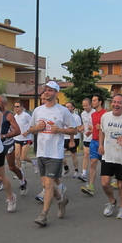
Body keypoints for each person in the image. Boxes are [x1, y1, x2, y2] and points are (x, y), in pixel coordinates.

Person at [30, 81, 76, 226]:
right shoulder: (38, 110)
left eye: (50, 90)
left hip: (55, 153)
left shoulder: (63, 111)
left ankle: (43, 215)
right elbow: (31, 129)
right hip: (41, 151)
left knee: (49, 184)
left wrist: (60, 130)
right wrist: (37, 127)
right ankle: (61, 200)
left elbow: (74, 129)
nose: (47, 92)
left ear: (56, 93)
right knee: (45, 184)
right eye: (46, 90)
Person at [81, 94, 106, 196]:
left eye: (95, 100)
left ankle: (116, 179)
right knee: (92, 163)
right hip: (94, 141)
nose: (93, 102)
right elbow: (95, 127)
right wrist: (90, 132)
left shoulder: (106, 114)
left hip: (104, 143)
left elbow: (106, 129)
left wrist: (102, 127)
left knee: (107, 165)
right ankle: (91, 187)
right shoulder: (93, 115)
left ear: (100, 102)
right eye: (92, 100)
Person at [14, 101, 39, 174]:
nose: (16, 108)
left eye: (17, 106)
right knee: (17, 157)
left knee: (23, 157)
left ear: (22, 107)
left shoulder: (26, 115)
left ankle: (33, 162)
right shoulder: (14, 116)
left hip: (26, 138)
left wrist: (27, 131)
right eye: (15, 106)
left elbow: (33, 125)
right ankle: (20, 172)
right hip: (17, 138)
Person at [62, 101, 82, 178]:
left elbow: (77, 128)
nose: (67, 108)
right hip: (64, 137)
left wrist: (72, 140)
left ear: (72, 108)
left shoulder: (76, 117)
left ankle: (76, 170)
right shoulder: (63, 116)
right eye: (66, 106)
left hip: (74, 138)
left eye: (68, 107)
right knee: (60, 154)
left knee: (73, 154)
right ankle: (66, 168)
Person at [78, 98, 95, 182]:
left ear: (90, 104)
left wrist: (93, 128)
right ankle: (84, 173)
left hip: (95, 138)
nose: (84, 107)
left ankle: (111, 173)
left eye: (86, 105)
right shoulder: (83, 114)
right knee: (86, 154)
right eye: (83, 105)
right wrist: (81, 128)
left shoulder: (95, 113)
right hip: (86, 137)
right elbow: (84, 124)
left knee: (100, 157)